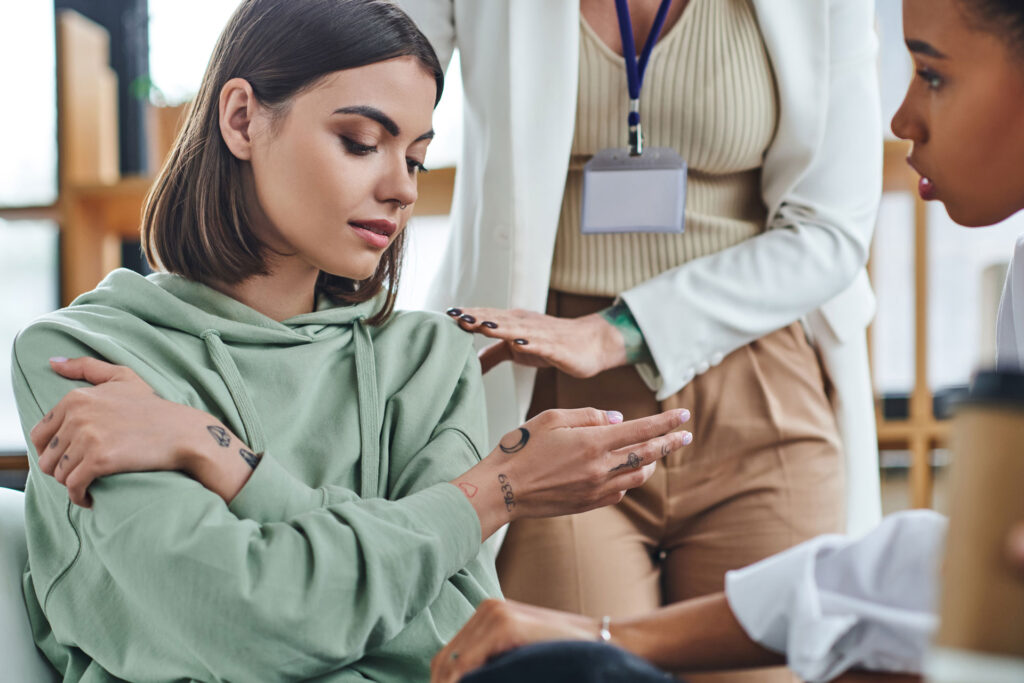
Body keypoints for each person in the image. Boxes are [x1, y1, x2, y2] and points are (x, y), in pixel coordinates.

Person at [11, 2, 689, 681]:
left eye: (417, 160)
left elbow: (454, 635)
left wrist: (221, 454)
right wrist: (489, 491)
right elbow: (241, 622)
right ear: (242, 118)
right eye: (362, 142)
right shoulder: (81, 358)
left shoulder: (427, 359)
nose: (399, 189)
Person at [429, 0, 1024, 680]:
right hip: (557, 399)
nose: (902, 118)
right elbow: (357, 68)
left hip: (762, 385)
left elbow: (832, 229)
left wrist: (618, 330)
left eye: (931, 75)